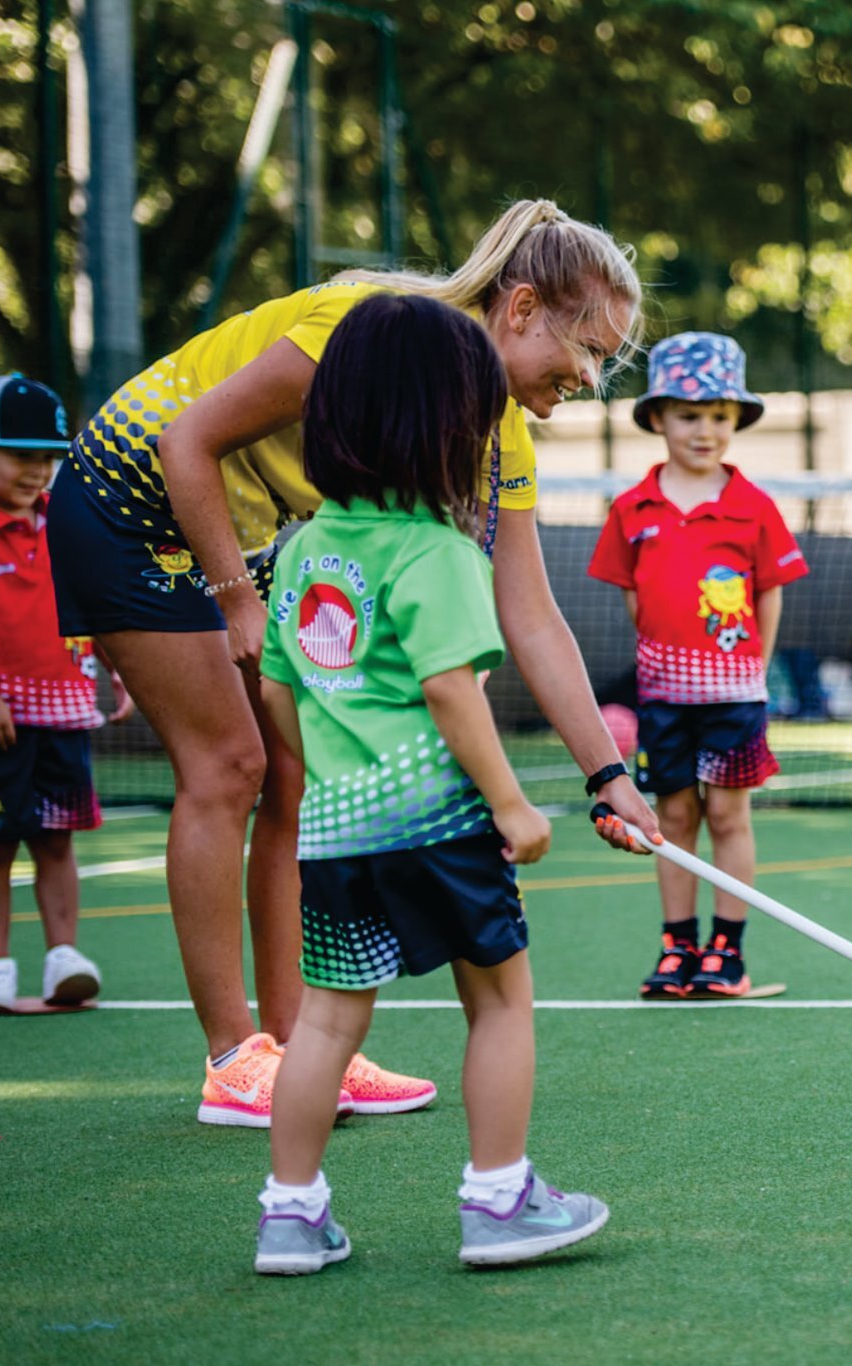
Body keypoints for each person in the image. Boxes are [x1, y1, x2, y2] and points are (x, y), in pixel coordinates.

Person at [46, 200, 663, 1127]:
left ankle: (300, 1050)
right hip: (130, 497)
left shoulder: (499, 423)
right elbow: (189, 442)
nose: (590, 376)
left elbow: (528, 611)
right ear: (523, 307)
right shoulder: (359, 330)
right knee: (231, 766)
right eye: (587, 348)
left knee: (295, 775)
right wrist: (238, 602)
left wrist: (607, 773)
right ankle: (231, 1058)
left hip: (237, 527)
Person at [251, 294, 603, 1275]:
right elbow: (451, 688)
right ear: (449, 427)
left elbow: (279, 699)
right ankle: (499, 1199)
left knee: (323, 1018)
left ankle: (290, 1211)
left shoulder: (303, 550)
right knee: (498, 1003)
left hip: (331, 829)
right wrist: (509, 803)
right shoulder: (440, 550)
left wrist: (333, 766)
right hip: (438, 823)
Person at [586, 333, 808, 999]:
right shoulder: (631, 510)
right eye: (688, 414)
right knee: (671, 821)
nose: (704, 430)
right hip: (663, 698)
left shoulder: (755, 507)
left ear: (736, 419)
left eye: (718, 415)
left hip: (736, 698)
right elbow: (634, 596)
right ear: (656, 418)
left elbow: (769, 590)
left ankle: (726, 953)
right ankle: (678, 945)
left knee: (729, 820)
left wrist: (752, 670)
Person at [0, 376, 126, 1010]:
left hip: (66, 713)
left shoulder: (63, 524)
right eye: (20, 454)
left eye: (47, 457)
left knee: (56, 840)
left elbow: (91, 605)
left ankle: (63, 960)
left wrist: (118, 671)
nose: (37, 470)